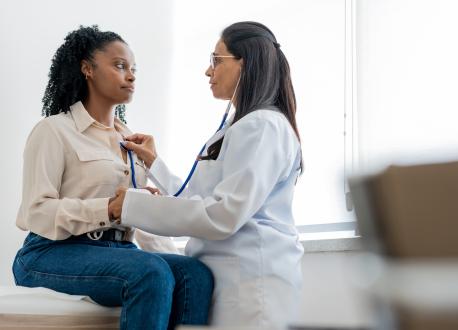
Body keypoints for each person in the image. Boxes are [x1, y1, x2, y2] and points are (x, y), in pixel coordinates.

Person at [12, 25, 213, 330]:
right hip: (50, 252)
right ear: (87, 69)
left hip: (119, 251)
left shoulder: (132, 142)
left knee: (194, 274)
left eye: (133, 69)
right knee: (149, 272)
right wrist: (108, 209)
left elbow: (145, 220)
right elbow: (36, 212)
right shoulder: (53, 131)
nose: (131, 76)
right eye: (120, 66)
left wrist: (171, 260)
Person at [109, 21, 304, 326]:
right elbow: (201, 199)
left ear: (246, 63)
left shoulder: (263, 126)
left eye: (216, 60)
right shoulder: (243, 127)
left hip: (250, 285)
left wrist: (131, 205)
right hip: (223, 280)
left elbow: (223, 214)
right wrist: (155, 163)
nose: (208, 70)